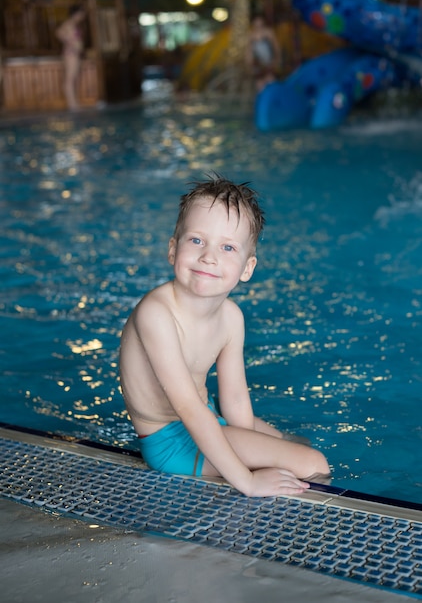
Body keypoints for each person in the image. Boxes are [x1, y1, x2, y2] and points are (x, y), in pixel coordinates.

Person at [119, 177, 330, 497]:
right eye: (196, 241)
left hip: (210, 420)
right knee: (314, 464)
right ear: (173, 249)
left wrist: (255, 448)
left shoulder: (231, 317)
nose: (209, 257)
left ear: (247, 268)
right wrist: (248, 480)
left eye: (227, 247)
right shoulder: (156, 313)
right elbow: (189, 407)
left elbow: (234, 400)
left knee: (293, 444)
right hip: (169, 442)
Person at [56, 5, 86, 111]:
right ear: (76, 14)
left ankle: (74, 102)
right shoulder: (68, 24)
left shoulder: (73, 24)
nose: (82, 16)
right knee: (69, 78)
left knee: (74, 78)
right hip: (71, 54)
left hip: (74, 53)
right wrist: (70, 43)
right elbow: (59, 33)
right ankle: (72, 104)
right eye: (81, 13)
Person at [245, 15, 281, 92]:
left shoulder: (269, 32)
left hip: (269, 61)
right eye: (256, 24)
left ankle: (272, 98)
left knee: (270, 80)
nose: (258, 26)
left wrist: (277, 59)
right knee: (260, 83)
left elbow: (276, 47)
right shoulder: (251, 35)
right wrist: (249, 63)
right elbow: (249, 51)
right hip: (258, 63)